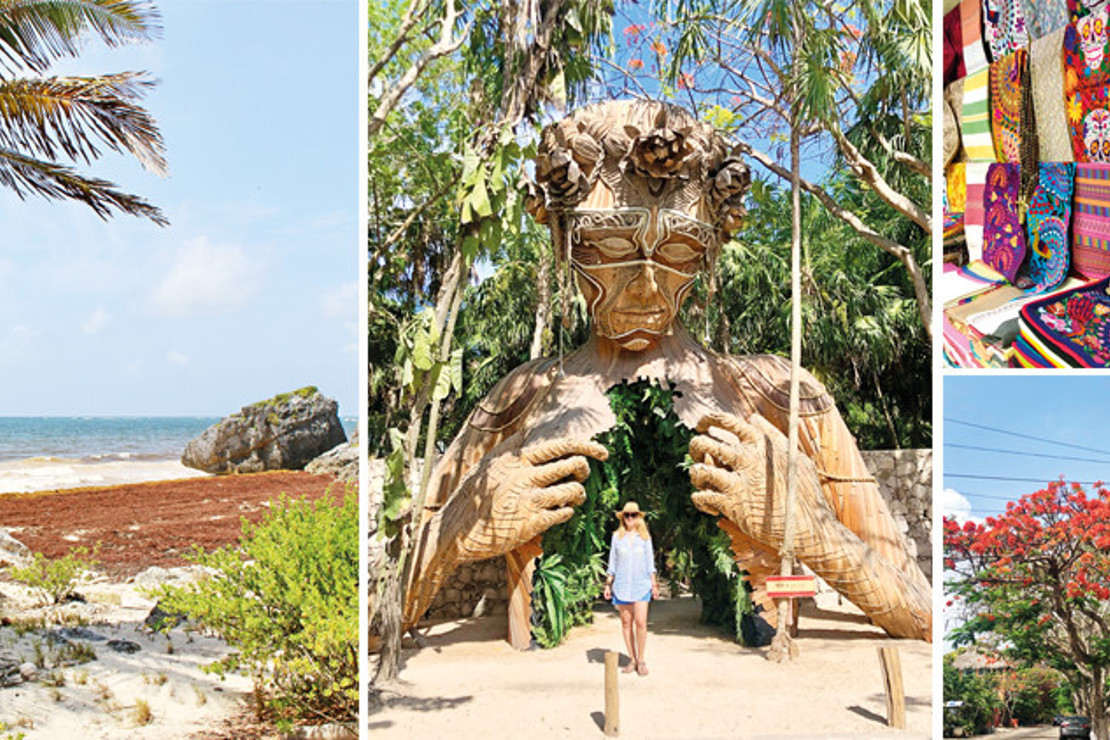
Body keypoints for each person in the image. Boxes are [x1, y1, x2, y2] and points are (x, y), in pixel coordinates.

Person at [603, 501, 659, 676]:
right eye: (626, 515)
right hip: (622, 586)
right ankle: (632, 659)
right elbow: (612, 563)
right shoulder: (616, 537)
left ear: (638, 517)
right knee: (626, 624)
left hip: (642, 585)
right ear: (622, 518)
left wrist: (654, 584)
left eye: (633, 515)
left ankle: (641, 660)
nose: (629, 518)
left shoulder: (645, 538)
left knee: (641, 623)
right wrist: (608, 584)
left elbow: (650, 564)